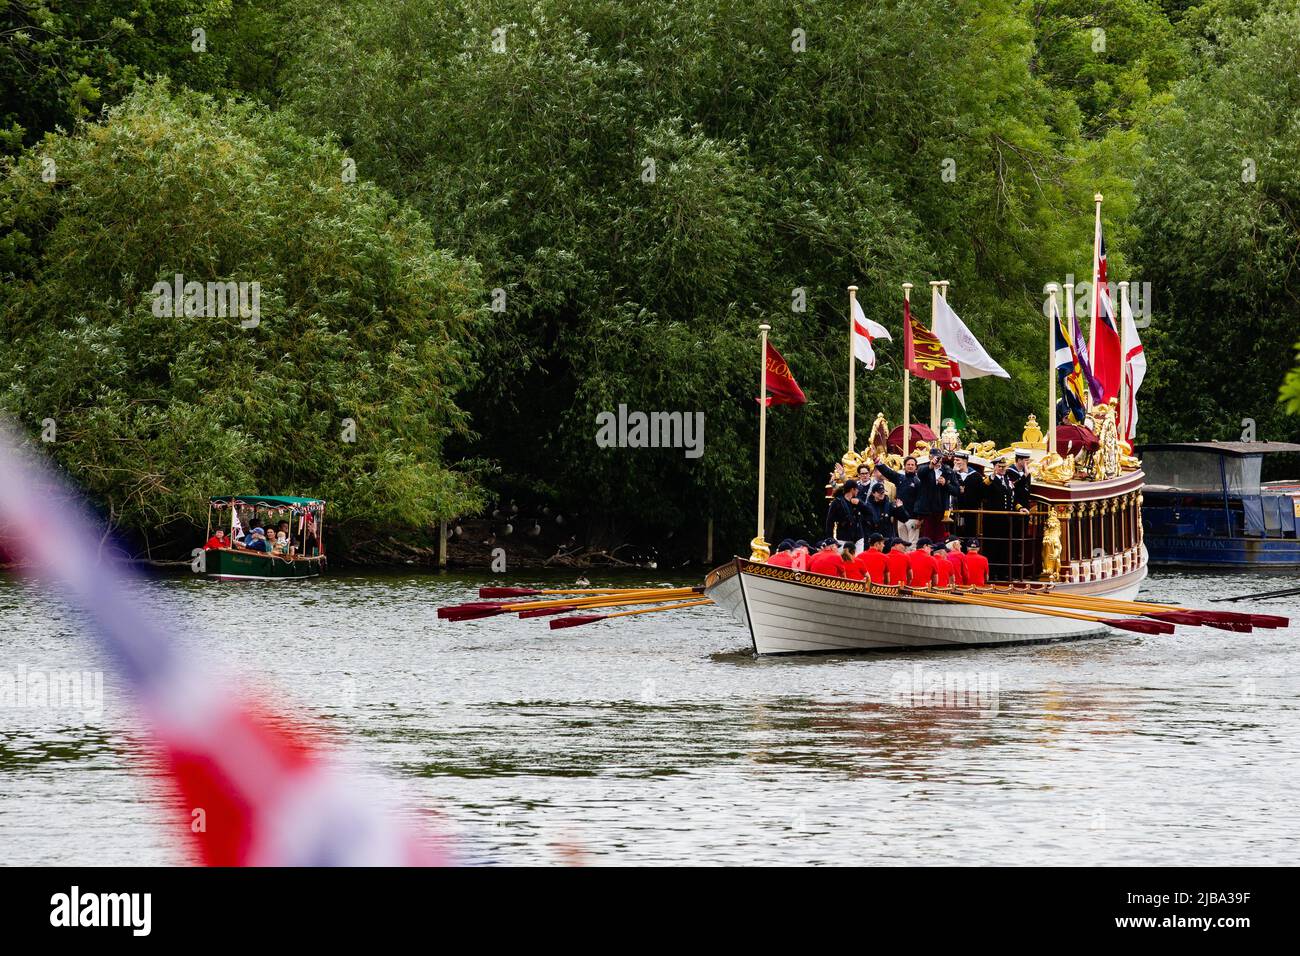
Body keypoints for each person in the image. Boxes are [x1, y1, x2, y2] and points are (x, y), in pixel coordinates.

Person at [875, 454, 921, 544]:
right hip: (900, 517)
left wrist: (920, 519)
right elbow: (887, 472)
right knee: (902, 544)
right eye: (908, 464)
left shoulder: (918, 482)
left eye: (912, 465)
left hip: (913, 518)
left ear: (916, 467)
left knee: (912, 544)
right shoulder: (900, 478)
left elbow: (921, 501)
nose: (910, 466)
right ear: (904, 466)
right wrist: (876, 460)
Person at [912, 448, 955, 542]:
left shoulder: (948, 470)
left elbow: (956, 491)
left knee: (941, 540)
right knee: (927, 540)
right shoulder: (925, 469)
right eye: (935, 457)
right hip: (927, 512)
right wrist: (931, 465)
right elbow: (920, 474)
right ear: (930, 457)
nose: (938, 460)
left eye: (940, 458)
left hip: (943, 512)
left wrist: (946, 484)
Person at [824, 480, 861, 550]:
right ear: (852, 490)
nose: (858, 491)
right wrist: (830, 539)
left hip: (857, 537)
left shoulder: (857, 501)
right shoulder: (837, 502)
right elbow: (830, 521)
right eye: (857, 489)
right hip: (843, 536)